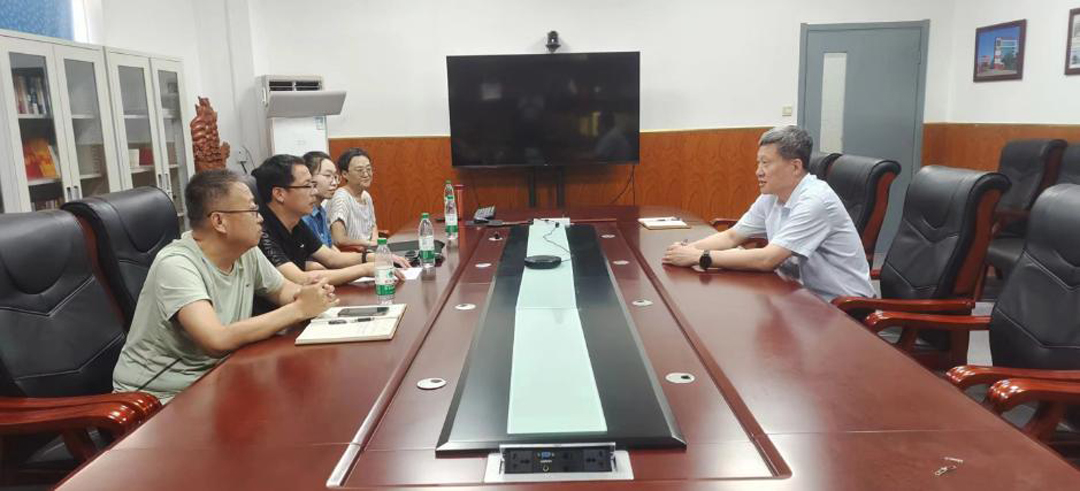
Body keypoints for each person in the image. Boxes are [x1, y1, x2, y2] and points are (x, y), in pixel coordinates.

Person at [112, 169, 337, 403]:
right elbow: (216, 340)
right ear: (219, 221)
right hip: (159, 396)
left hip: (218, 375)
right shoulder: (176, 264)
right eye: (252, 210)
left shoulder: (245, 251)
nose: (260, 218)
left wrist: (310, 295)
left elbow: (281, 290)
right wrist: (299, 308)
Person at [662, 125, 874, 301]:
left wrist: (700, 257)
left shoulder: (815, 200)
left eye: (766, 163)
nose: (758, 172)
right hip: (798, 295)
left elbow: (768, 259)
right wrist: (687, 250)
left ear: (795, 167)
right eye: (758, 163)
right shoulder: (772, 195)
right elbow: (732, 236)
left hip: (842, 307)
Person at [252, 154, 407, 286]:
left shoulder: (296, 222)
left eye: (313, 185)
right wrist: (366, 269)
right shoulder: (261, 232)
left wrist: (376, 257)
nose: (314, 192)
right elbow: (301, 279)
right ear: (279, 194)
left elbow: (332, 258)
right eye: (307, 186)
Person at [328, 147, 380, 250]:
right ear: (344, 174)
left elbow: (373, 225)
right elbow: (339, 239)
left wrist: (376, 241)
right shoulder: (341, 198)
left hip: (369, 250)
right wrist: (368, 244)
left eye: (368, 169)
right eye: (360, 170)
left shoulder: (366, 195)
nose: (366, 174)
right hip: (351, 253)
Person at [301, 151, 337, 248]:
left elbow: (330, 247)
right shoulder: (303, 215)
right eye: (328, 175)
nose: (334, 183)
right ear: (309, 177)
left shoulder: (321, 211)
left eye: (335, 176)